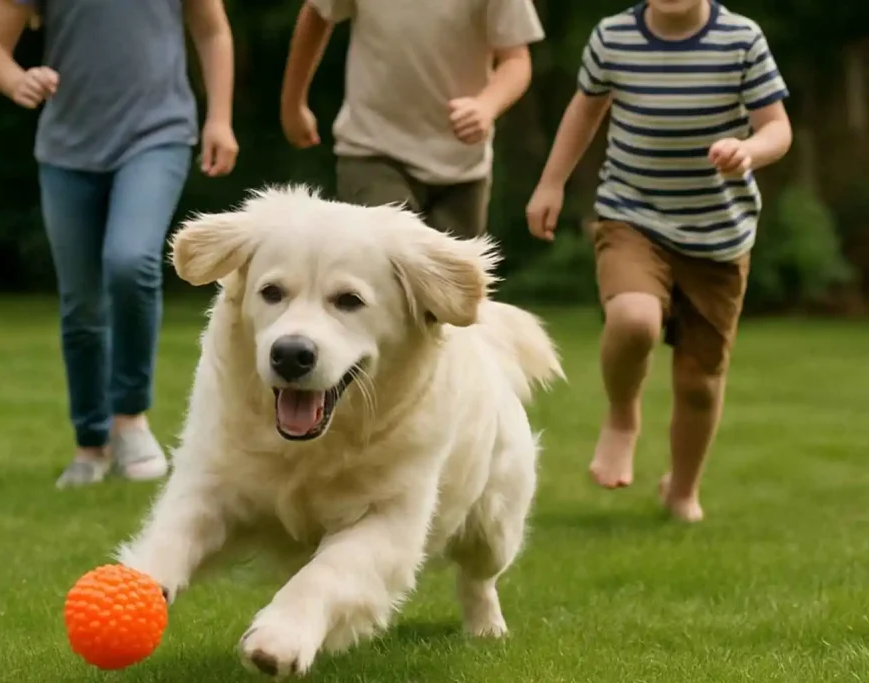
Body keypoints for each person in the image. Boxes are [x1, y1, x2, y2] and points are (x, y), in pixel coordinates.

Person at [526, 0, 791, 521]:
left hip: (719, 236)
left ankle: (682, 490)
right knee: (634, 319)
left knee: (699, 382)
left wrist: (749, 151)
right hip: (632, 217)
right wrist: (551, 182)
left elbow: (777, 127)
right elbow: (585, 110)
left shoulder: (741, 39)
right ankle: (623, 417)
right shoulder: (613, 36)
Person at [0, 0, 238, 488]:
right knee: (81, 304)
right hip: (66, 150)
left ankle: (130, 418)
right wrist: (17, 80)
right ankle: (90, 442)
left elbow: (213, 31)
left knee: (129, 260)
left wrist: (218, 119)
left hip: (157, 136)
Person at [280, 0, 545, 239]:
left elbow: (516, 60)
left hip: (462, 167)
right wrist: (293, 104)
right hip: (373, 149)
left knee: (451, 287)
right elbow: (317, 13)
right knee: (387, 257)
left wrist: (487, 106)